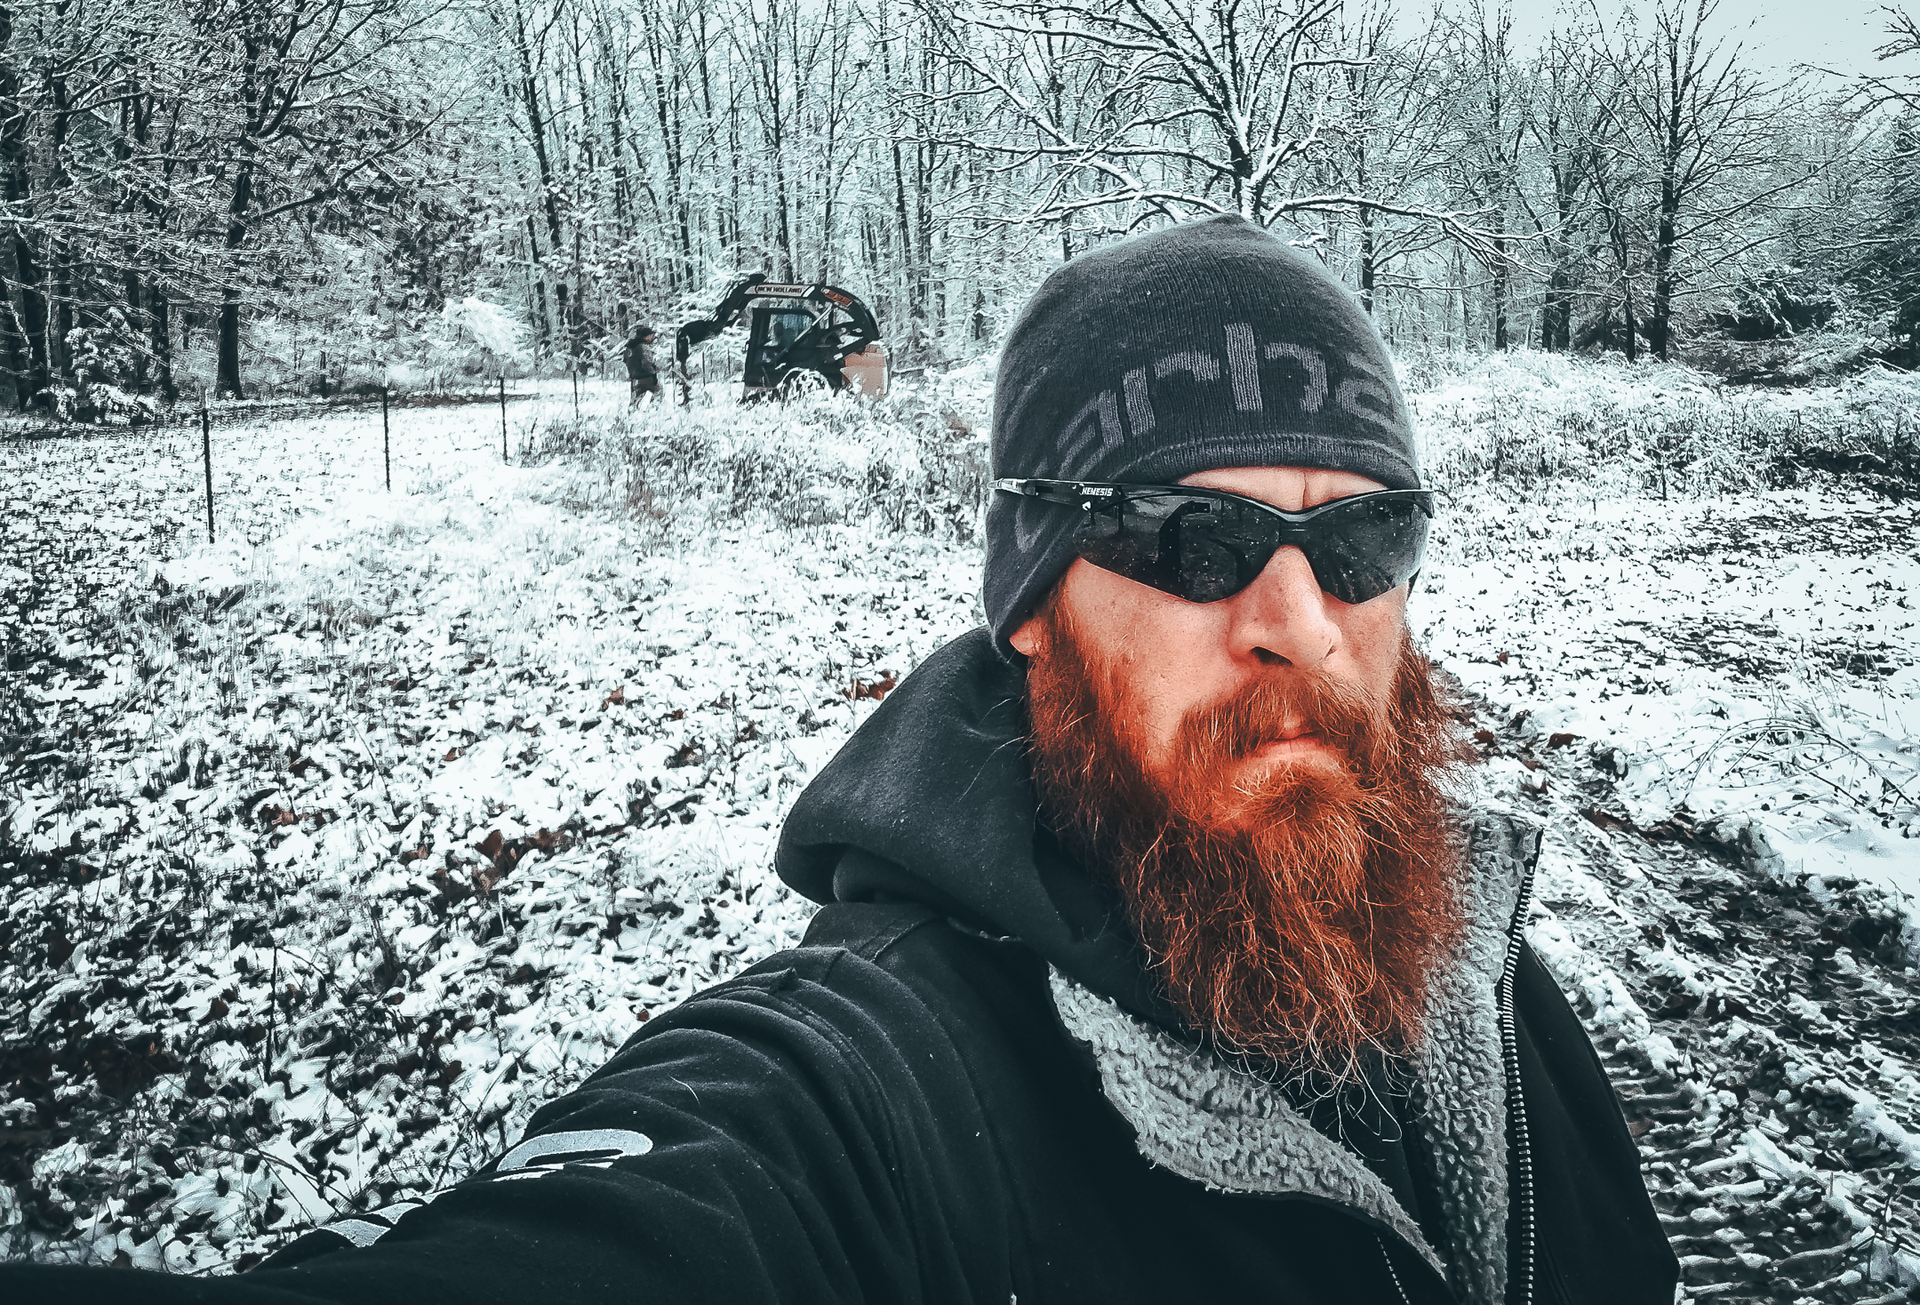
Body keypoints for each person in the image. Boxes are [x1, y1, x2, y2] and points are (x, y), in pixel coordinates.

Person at [1, 215, 1676, 1304]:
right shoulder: (882, 1092)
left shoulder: (1474, 964)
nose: (1303, 624)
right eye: (1188, 539)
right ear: (1032, 608)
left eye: (1364, 536)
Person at [623, 325, 660, 402]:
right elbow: (647, 362)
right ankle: (654, 411)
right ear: (646, 337)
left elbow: (626, 360)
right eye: (650, 335)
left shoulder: (629, 348)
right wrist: (654, 374)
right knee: (658, 394)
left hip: (634, 378)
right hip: (647, 377)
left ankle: (633, 413)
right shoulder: (643, 347)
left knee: (635, 400)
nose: (651, 337)